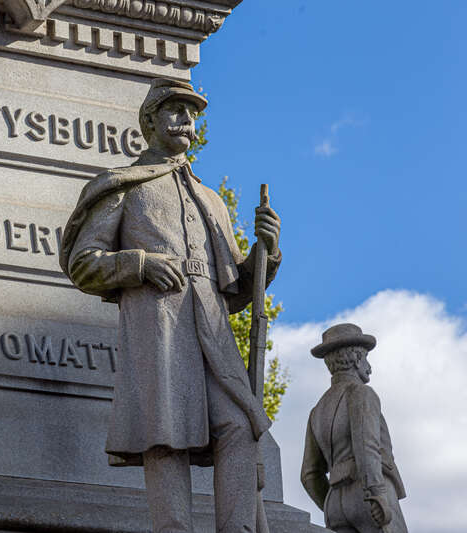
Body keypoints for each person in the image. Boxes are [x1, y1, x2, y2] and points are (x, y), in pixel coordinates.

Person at [59, 78, 282, 533]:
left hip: (213, 331)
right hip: (158, 325)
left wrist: (266, 254)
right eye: (175, 110)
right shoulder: (124, 186)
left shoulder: (211, 199)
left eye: (192, 112)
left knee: (239, 425)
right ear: (150, 121)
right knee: (165, 435)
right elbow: (84, 263)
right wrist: (137, 264)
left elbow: (236, 286)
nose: (186, 119)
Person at [301, 323, 408, 533]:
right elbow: (366, 446)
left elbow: (309, 474)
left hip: (335, 504)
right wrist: (376, 493)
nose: (369, 367)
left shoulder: (317, 410)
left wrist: (331, 504)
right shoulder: (361, 393)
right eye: (366, 358)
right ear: (357, 359)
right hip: (369, 495)